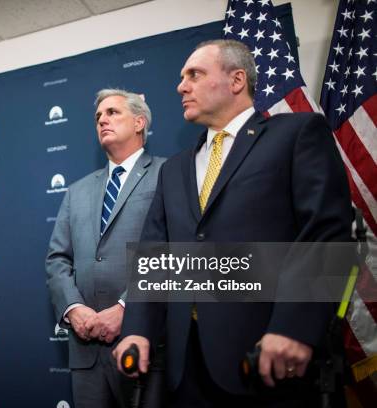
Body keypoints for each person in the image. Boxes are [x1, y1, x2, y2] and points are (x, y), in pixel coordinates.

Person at [113, 39, 352, 407]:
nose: (181, 86)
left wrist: (294, 328)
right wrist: (137, 331)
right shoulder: (174, 169)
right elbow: (154, 255)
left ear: (237, 80)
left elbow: (325, 234)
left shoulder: (296, 135)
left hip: (265, 360)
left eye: (194, 74)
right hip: (184, 370)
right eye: (181, 77)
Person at [46, 89, 166, 407]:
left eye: (113, 112)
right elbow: (57, 259)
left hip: (146, 344)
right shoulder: (76, 191)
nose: (102, 120)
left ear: (140, 122)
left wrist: (127, 308)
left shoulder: (169, 174)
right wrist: (74, 310)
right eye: (98, 116)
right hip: (86, 353)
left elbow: (174, 251)